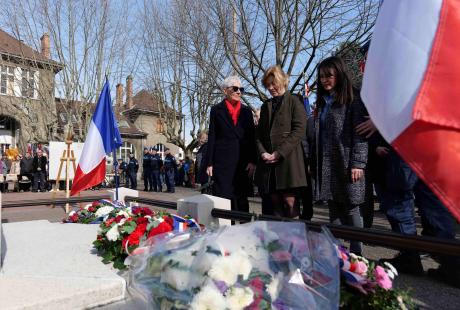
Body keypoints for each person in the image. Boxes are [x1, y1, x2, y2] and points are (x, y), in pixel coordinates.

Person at [314, 56, 368, 255]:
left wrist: (358, 163)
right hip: (328, 163)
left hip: (346, 162)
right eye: (321, 77)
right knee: (334, 207)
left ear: (339, 75)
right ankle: (337, 255)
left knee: (352, 207)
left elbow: (360, 133)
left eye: (329, 75)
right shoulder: (323, 102)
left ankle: (357, 254)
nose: (324, 80)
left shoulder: (353, 98)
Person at [255, 66, 307, 218]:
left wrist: (279, 152)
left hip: (288, 161)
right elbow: (258, 135)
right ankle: (279, 240)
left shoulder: (295, 101)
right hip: (269, 165)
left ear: (283, 82)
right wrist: (263, 152)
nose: (271, 88)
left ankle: (295, 241)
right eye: (268, 85)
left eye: (273, 83)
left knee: (290, 203)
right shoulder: (266, 106)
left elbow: (299, 130)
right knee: (275, 203)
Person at [206, 75, 257, 212]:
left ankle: (245, 230)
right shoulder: (216, 110)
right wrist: (209, 162)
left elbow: (252, 137)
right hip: (222, 162)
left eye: (241, 89)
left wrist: (253, 160)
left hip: (243, 162)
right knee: (223, 199)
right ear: (225, 90)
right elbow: (212, 136)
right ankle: (226, 230)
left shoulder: (246, 111)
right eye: (235, 88)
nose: (239, 92)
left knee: (241, 200)